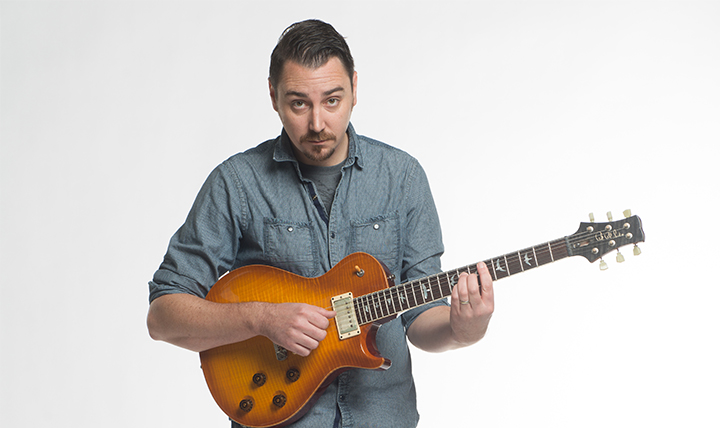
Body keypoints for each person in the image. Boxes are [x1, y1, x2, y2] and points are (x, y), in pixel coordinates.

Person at [147, 19, 494, 428]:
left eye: (332, 100)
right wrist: (261, 319)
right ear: (273, 96)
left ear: (355, 89)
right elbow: (163, 315)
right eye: (299, 103)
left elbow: (420, 320)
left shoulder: (402, 177)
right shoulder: (236, 183)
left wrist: (462, 330)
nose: (317, 123)